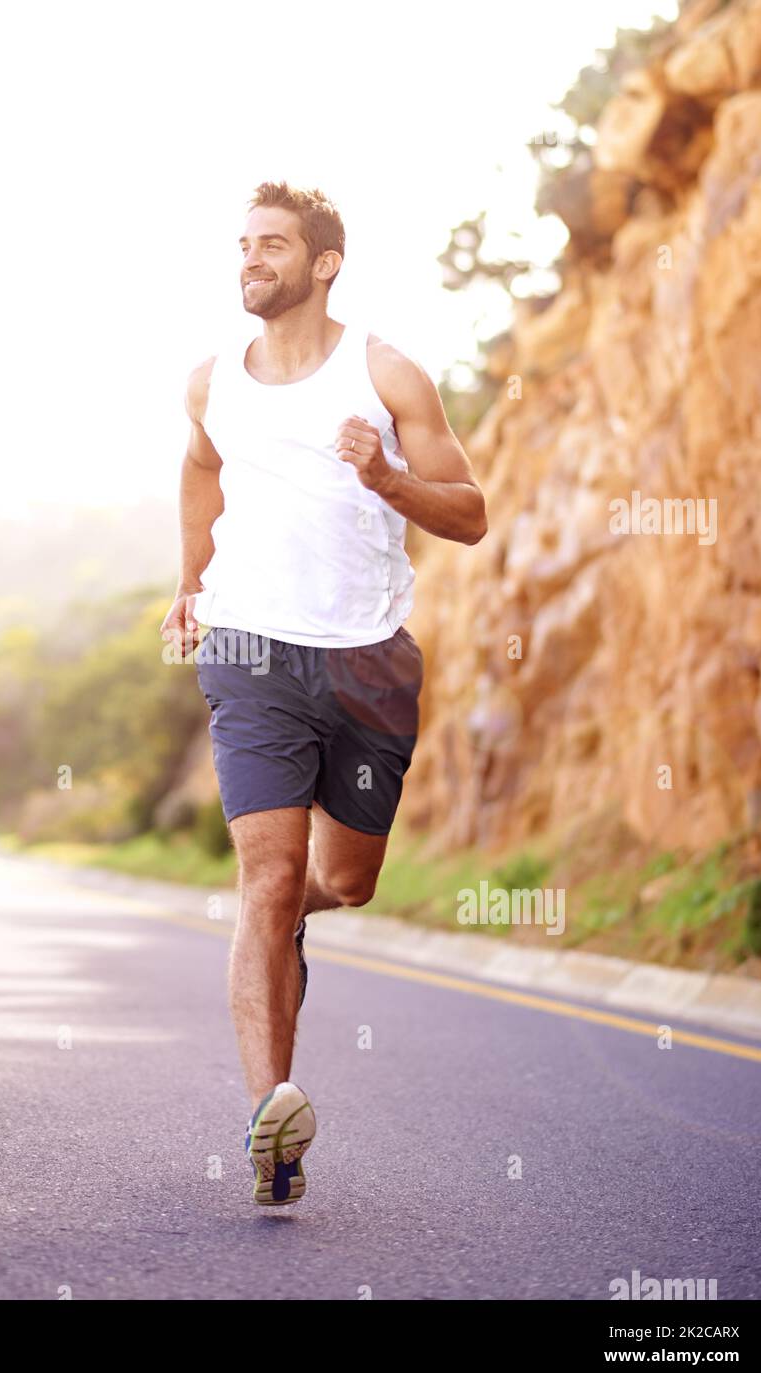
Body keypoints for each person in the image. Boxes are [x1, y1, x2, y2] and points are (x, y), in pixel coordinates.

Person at [160, 180, 488, 1207]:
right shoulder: (212, 380)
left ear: (324, 262)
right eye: (243, 244)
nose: (250, 259)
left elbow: (472, 514)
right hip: (250, 650)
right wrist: (186, 583)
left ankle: (279, 922)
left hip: (368, 661)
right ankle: (273, 1113)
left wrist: (387, 480)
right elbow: (200, 470)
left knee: (342, 883)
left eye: (271, 244)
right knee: (264, 876)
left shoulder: (385, 371)